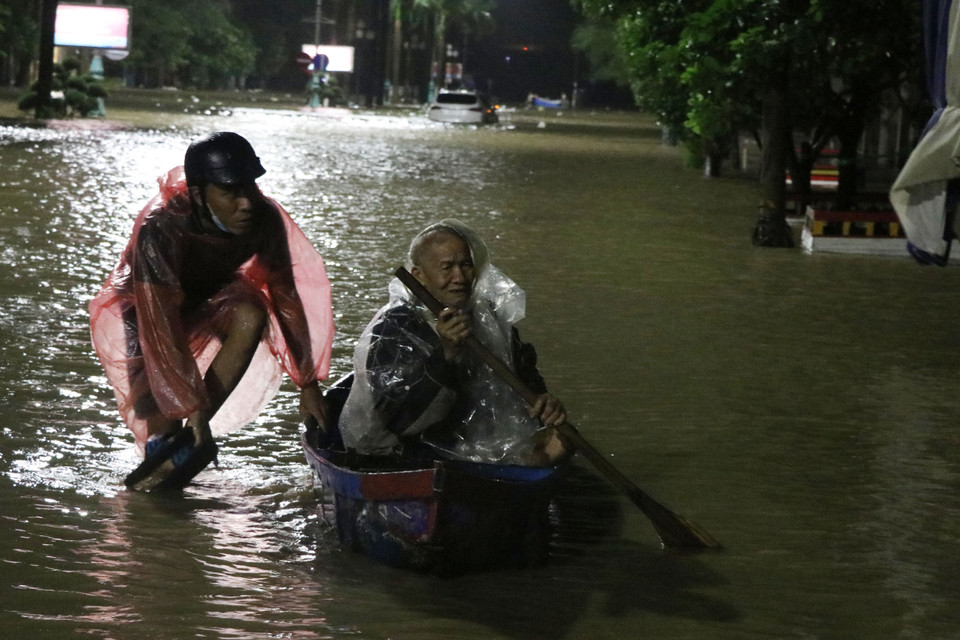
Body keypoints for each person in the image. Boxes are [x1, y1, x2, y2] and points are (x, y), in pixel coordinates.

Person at [89, 131, 334, 489]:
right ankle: (163, 460)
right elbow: (161, 326)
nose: (246, 203)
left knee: (252, 313)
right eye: (230, 192)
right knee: (162, 424)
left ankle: (194, 431)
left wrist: (307, 383)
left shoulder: (264, 218)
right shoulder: (161, 228)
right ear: (198, 195)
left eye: (249, 188)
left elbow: (286, 297)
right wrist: (185, 405)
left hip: (210, 298)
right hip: (145, 311)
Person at [338, 219, 568, 466]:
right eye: (447, 267)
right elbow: (399, 419)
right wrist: (446, 354)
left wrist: (545, 404)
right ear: (419, 276)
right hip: (403, 450)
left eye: (466, 265)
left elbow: (527, 381)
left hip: (471, 440)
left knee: (562, 440)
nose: (459, 277)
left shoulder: (488, 320)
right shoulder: (395, 327)